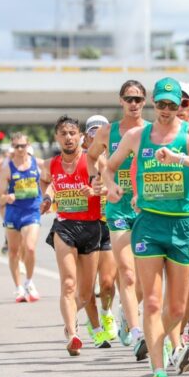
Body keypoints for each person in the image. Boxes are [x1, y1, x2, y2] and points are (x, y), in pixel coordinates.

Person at [104, 77, 189, 377]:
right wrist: (111, 187)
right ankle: (158, 374)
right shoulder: (136, 136)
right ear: (154, 104)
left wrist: (180, 158)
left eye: (175, 105)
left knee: (177, 307)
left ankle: (158, 343)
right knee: (153, 301)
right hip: (149, 225)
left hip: (182, 224)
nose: (168, 110)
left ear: (183, 106)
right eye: (163, 104)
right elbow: (109, 167)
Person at [87, 80, 149, 355]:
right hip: (118, 208)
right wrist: (99, 181)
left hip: (148, 208)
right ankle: (137, 333)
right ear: (121, 101)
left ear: (144, 102)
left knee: (146, 278)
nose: (133, 104)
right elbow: (90, 158)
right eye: (128, 99)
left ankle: (127, 312)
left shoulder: (152, 131)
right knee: (126, 271)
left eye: (138, 99)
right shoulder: (107, 132)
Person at [40, 115, 107, 356]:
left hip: (91, 227)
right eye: (63, 134)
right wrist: (47, 198)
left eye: (72, 133)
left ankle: (71, 321)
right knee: (68, 283)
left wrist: (96, 189)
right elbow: (48, 183)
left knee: (86, 292)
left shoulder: (93, 160)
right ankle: (73, 334)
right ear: (57, 137)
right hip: (64, 226)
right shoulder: (52, 163)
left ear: (80, 136)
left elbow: (109, 186)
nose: (68, 138)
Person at [83, 115, 120, 343]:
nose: (96, 136)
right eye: (92, 133)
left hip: (108, 223)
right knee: (87, 285)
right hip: (84, 225)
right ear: (86, 138)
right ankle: (94, 324)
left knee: (107, 283)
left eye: (100, 132)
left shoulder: (117, 158)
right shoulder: (80, 160)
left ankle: (106, 313)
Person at [0, 132, 42, 303]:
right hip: (13, 213)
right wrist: (7, 197)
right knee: (14, 251)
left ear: (28, 145)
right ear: (12, 148)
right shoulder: (7, 169)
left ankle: (29, 281)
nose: (20, 149)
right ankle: (18, 287)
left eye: (23, 145)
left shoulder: (37, 164)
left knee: (29, 248)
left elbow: (51, 176)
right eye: (16, 146)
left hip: (32, 211)